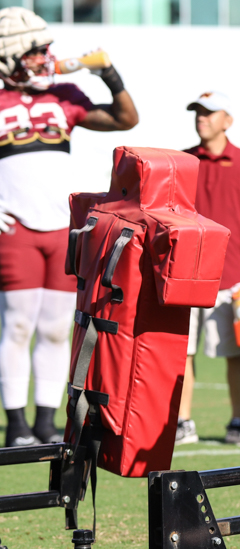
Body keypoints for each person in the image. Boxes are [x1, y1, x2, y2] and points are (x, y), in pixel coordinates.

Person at [0, 8, 138, 447]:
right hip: (14, 224)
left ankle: (44, 421)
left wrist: (109, 74)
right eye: (37, 52)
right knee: (18, 323)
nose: (46, 59)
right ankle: (15, 423)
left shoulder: (63, 93)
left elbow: (125, 119)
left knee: (58, 326)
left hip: (61, 223)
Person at [176, 91, 240, 446]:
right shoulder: (183, 161)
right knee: (182, 352)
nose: (201, 118)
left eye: (208, 113)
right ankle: (184, 421)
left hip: (231, 279)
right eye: (197, 112)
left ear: (227, 120)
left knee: (233, 352)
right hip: (185, 276)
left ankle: (237, 421)